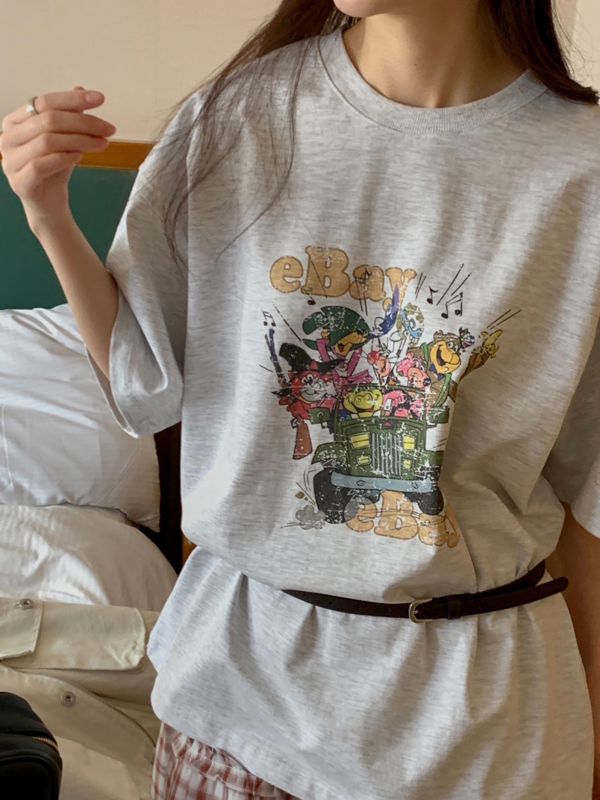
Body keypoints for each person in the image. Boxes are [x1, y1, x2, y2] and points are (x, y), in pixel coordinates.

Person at [1, 1, 599, 798]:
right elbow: (144, 385)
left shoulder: (582, 169)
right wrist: (48, 216)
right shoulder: (232, 119)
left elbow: (591, 511)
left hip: (475, 729)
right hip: (235, 702)